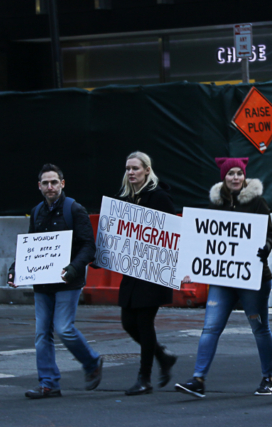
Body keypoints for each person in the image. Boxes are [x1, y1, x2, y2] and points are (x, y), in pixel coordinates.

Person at [175, 157, 272, 398]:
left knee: (259, 328)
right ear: (223, 177)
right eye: (230, 173)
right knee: (210, 328)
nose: (235, 178)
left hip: (254, 279)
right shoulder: (215, 206)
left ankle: (268, 378)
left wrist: (266, 247)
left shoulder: (257, 202)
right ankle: (198, 379)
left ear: (244, 176)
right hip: (223, 279)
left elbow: (271, 235)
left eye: (239, 173)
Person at [7, 164, 102, 399]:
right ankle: (48, 383)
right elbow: (29, 247)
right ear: (39, 186)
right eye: (46, 183)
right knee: (42, 333)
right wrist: (15, 270)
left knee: (63, 328)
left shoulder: (75, 210)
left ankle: (92, 362)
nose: (50, 187)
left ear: (63, 183)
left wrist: (73, 268)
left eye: (54, 182)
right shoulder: (37, 211)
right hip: (42, 283)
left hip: (68, 281)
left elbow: (89, 246)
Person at [116, 151, 178, 396]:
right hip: (132, 271)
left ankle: (145, 378)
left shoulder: (159, 197)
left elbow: (170, 234)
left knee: (143, 323)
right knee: (128, 323)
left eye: (136, 168)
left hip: (152, 271)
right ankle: (163, 356)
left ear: (147, 170)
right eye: (128, 168)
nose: (131, 172)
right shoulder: (125, 199)